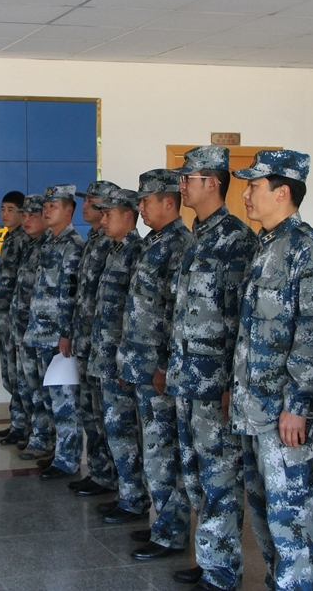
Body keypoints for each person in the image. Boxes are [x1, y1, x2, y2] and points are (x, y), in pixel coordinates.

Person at [230, 150, 313, 591]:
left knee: (290, 517)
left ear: (283, 192)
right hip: (254, 408)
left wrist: (297, 405)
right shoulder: (265, 246)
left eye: (254, 186)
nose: (247, 195)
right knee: (262, 511)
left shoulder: (309, 252)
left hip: (286, 416)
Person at [167, 147, 258, 590]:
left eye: (190, 178)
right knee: (195, 473)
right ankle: (208, 558)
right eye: (182, 179)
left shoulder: (237, 241)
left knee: (220, 475)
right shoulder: (195, 237)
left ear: (214, 183)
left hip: (214, 384)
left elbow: (241, 322)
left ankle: (223, 571)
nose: (182, 185)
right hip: (187, 377)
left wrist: (230, 385)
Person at [117, 169, 194, 559]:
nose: (141, 207)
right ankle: (161, 523)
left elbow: (173, 315)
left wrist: (163, 364)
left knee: (164, 450)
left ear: (169, 201)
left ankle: (171, 531)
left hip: (158, 371)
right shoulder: (154, 242)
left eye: (147, 200)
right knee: (153, 450)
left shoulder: (179, 245)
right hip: (141, 365)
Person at [87, 188, 145, 519]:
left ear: (129, 216)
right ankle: (126, 493)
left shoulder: (136, 251)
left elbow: (133, 311)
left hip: (120, 359)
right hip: (105, 355)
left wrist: (125, 359)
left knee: (125, 430)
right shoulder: (115, 250)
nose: (103, 218)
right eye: (102, 213)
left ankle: (135, 498)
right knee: (113, 427)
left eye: (110, 214)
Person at [24, 185, 86, 479]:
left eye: (53, 206)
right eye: (45, 206)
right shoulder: (48, 243)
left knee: (64, 401)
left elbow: (70, 295)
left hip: (57, 338)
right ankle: (57, 451)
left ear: (69, 210)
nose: (46, 211)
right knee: (48, 399)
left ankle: (68, 459)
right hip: (39, 332)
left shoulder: (73, 246)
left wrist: (66, 333)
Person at [69, 180, 121, 497]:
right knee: (91, 412)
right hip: (88, 340)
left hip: (104, 344)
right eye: (85, 200)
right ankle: (100, 471)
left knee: (107, 416)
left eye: (91, 200)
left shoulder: (113, 244)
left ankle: (113, 476)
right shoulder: (93, 239)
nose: (85, 205)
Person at [9, 195, 52, 459]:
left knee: (45, 391)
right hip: (26, 327)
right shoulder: (30, 245)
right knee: (29, 387)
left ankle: (46, 440)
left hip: (46, 333)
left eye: (32, 214)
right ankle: (36, 434)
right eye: (23, 215)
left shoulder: (54, 247)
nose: (27, 219)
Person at [0, 191, 30, 446]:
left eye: (10, 209)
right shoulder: (9, 239)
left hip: (17, 318)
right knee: (9, 375)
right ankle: (17, 422)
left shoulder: (25, 240)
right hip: (5, 316)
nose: (5, 214)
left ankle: (24, 426)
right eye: (3, 209)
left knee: (19, 375)